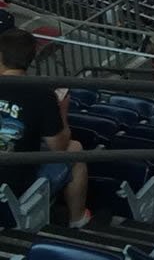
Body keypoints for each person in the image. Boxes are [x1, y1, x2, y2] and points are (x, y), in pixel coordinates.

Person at [0, 28, 90, 228]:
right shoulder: (41, 93)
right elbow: (58, 147)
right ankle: (78, 220)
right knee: (74, 148)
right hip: (14, 185)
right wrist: (62, 112)